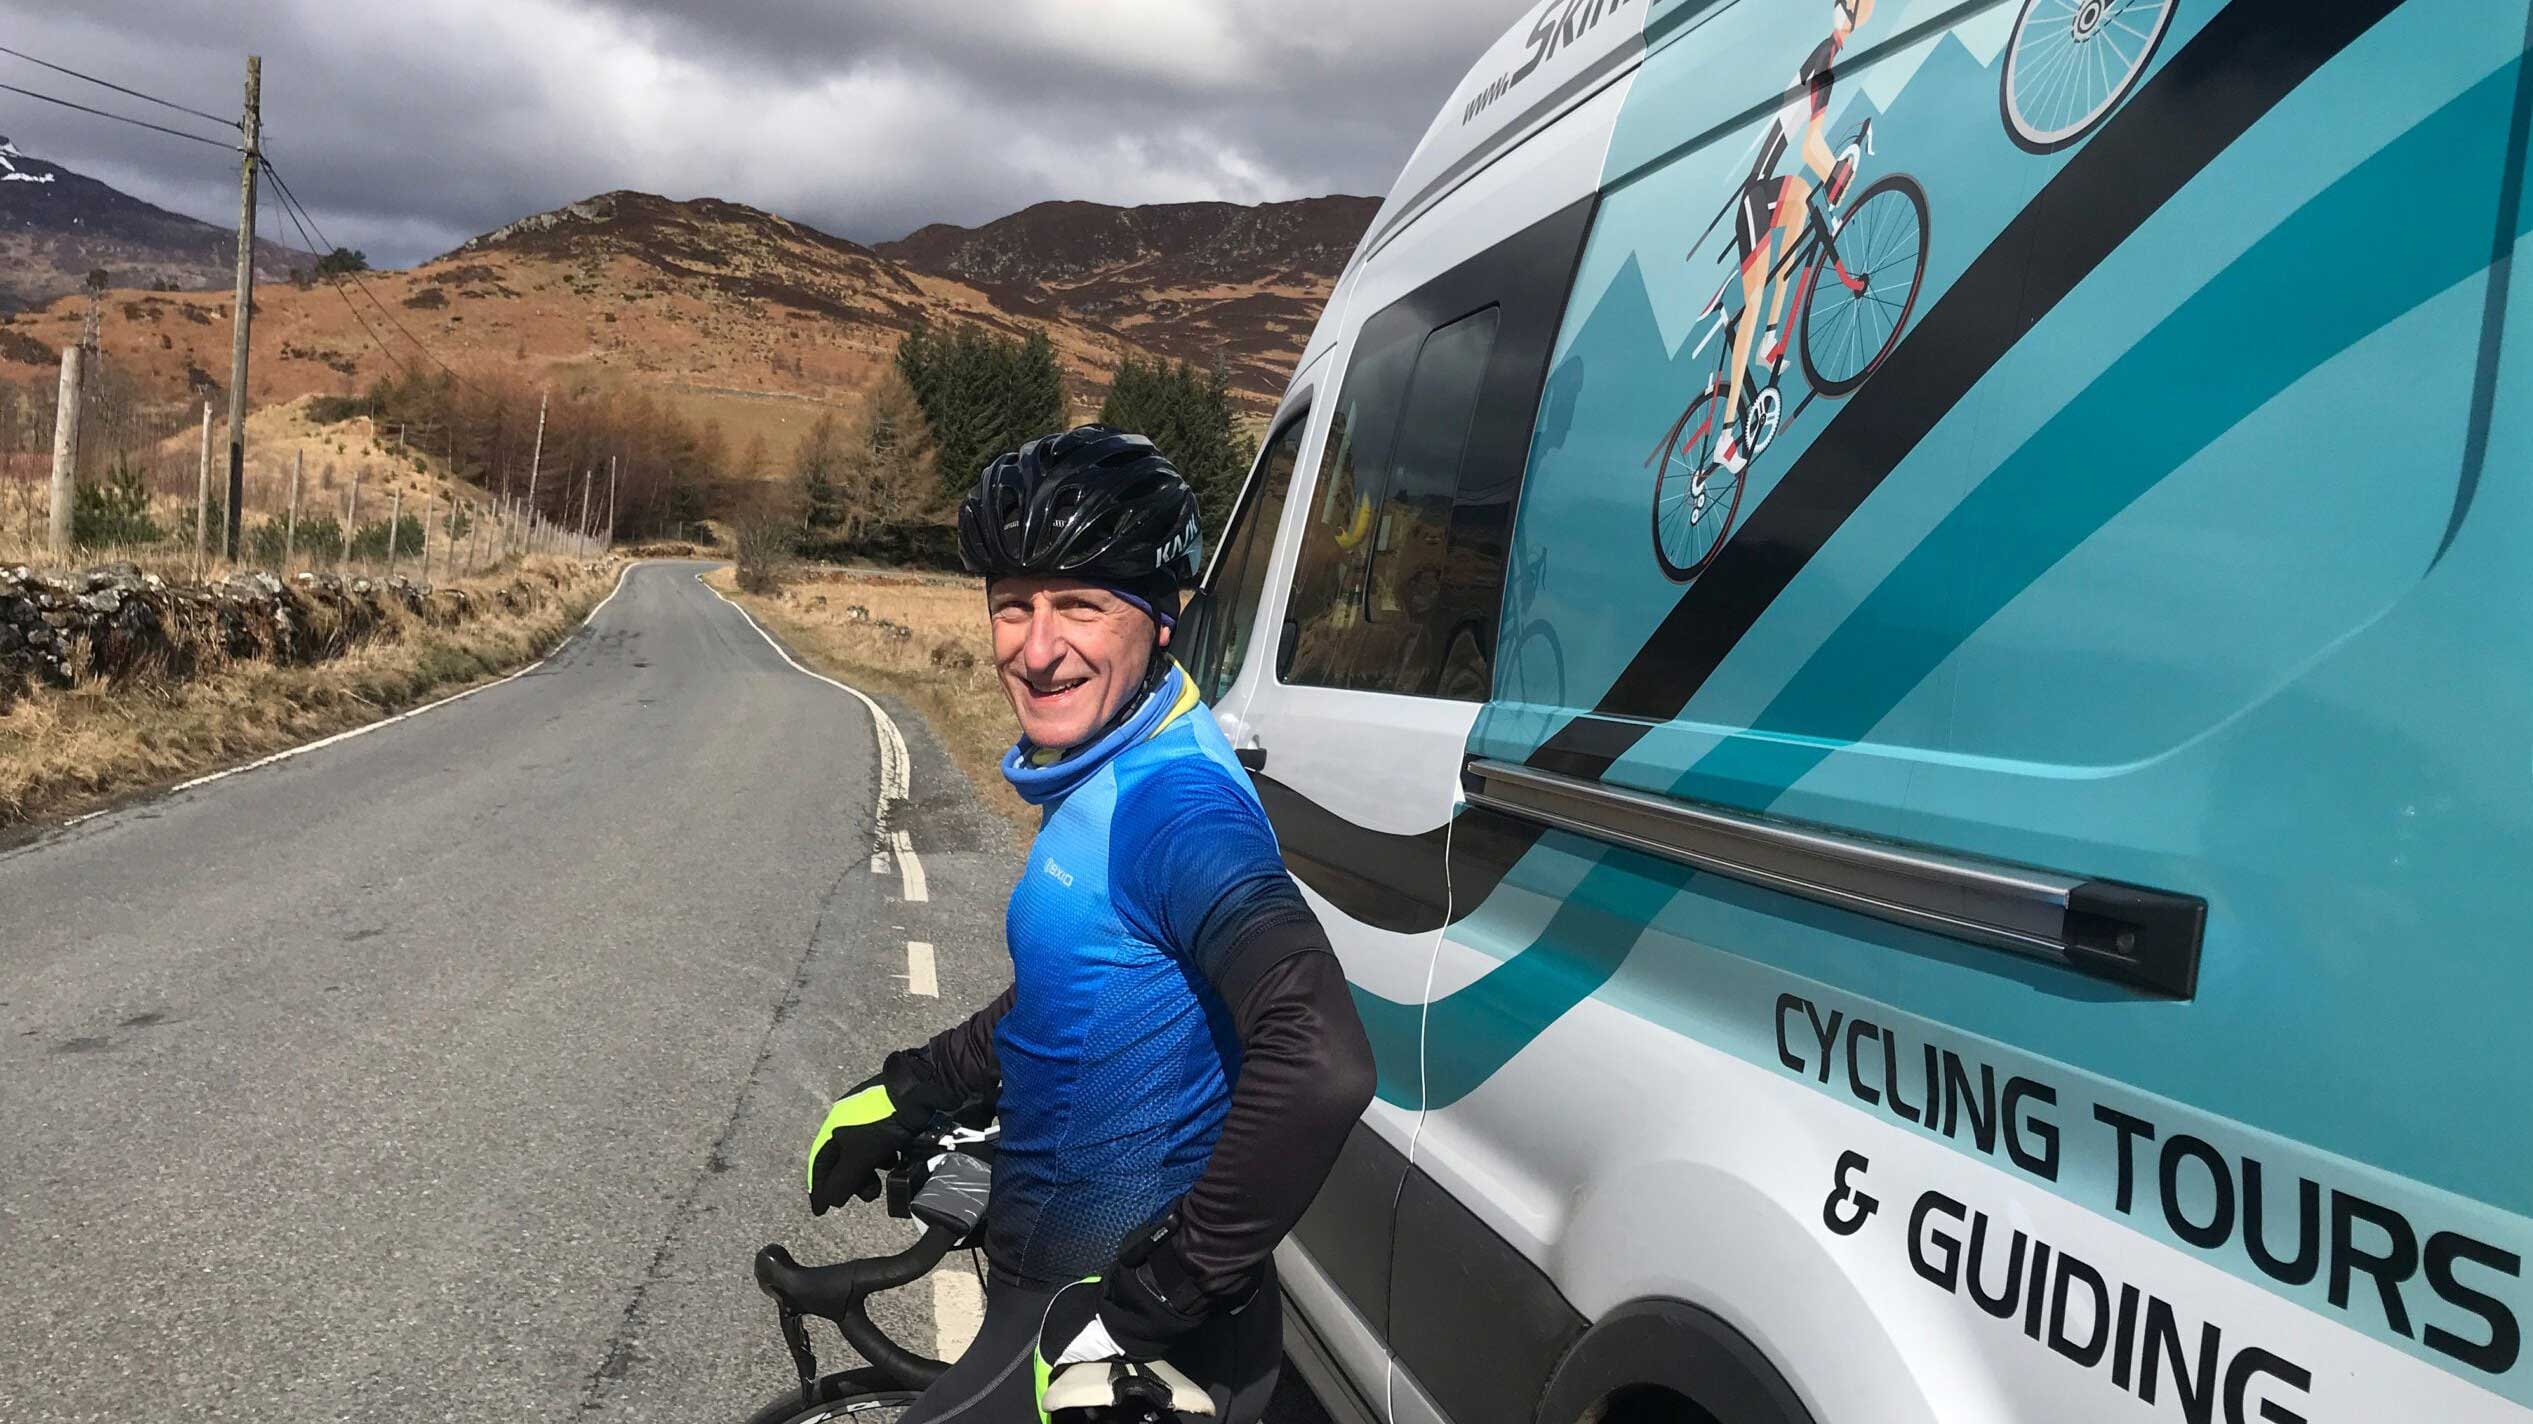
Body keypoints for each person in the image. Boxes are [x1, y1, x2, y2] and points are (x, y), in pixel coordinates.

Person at [805, 425, 1378, 1424]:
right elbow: (1086, 983)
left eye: (1079, 605)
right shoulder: (1108, 767)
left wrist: (1162, 1294)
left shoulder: (1176, 807)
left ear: (1161, 618)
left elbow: (1320, 1057)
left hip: (1112, 1343)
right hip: (1053, 1298)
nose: (1036, 649)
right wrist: (920, 1084)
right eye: (1012, 605)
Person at [1712, 0, 1873, 477]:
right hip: (1753, 198)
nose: (1848, 13)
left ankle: (1769, 339)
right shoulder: (1825, 59)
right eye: (1850, 6)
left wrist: (1833, 177)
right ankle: (1725, 437)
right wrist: (1837, 173)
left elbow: (1809, 152)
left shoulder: (1828, 56)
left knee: (1802, 198)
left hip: (1768, 191)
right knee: (1754, 300)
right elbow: (1809, 146)